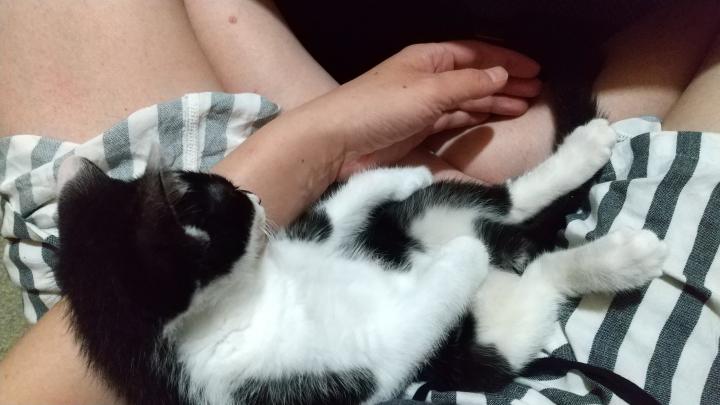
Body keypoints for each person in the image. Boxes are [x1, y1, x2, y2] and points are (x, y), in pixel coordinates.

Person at [0, 0, 718, 403]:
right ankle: (506, 179)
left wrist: (323, 135)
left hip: (165, 341)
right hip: (588, 383)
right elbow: (389, 349)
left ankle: (468, 168)